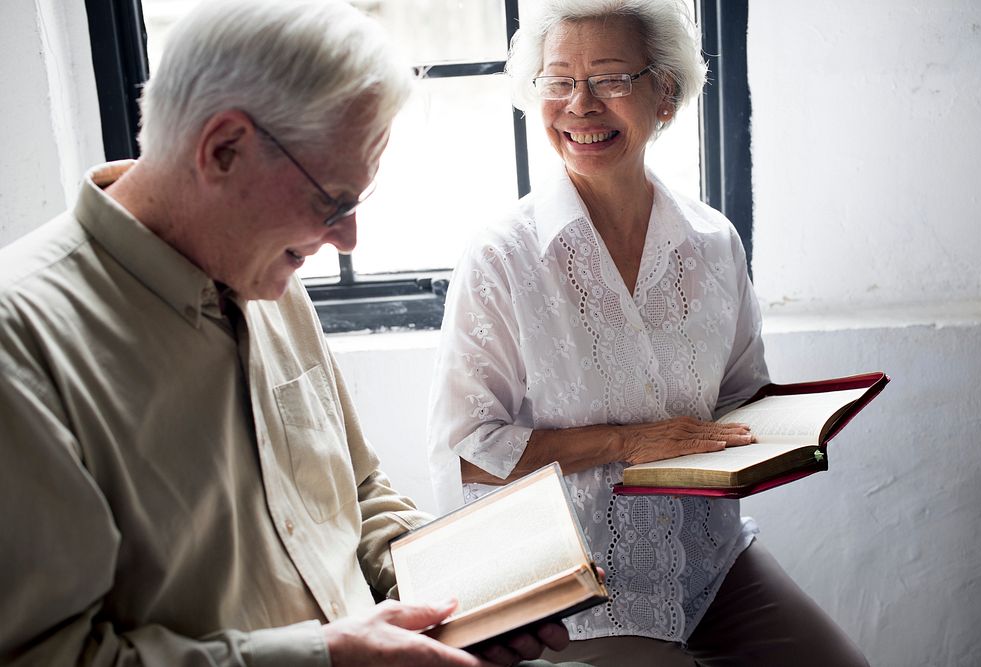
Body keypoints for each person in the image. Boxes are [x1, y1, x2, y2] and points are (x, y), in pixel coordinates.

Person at [0, 1, 580, 665]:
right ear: (224, 149)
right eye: (334, 202)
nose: (347, 238)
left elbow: (356, 492)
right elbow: (45, 655)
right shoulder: (19, 343)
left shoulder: (260, 266)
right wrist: (324, 655)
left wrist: (460, 593)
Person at [427, 1, 870, 665]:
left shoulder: (714, 242)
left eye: (610, 79)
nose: (580, 106)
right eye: (558, 81)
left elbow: (743, 395)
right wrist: (631, 442)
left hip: (709, 560)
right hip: (573, 580)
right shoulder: (502, 256)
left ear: (664, 94)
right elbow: (466, 448)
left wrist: (787, 431)